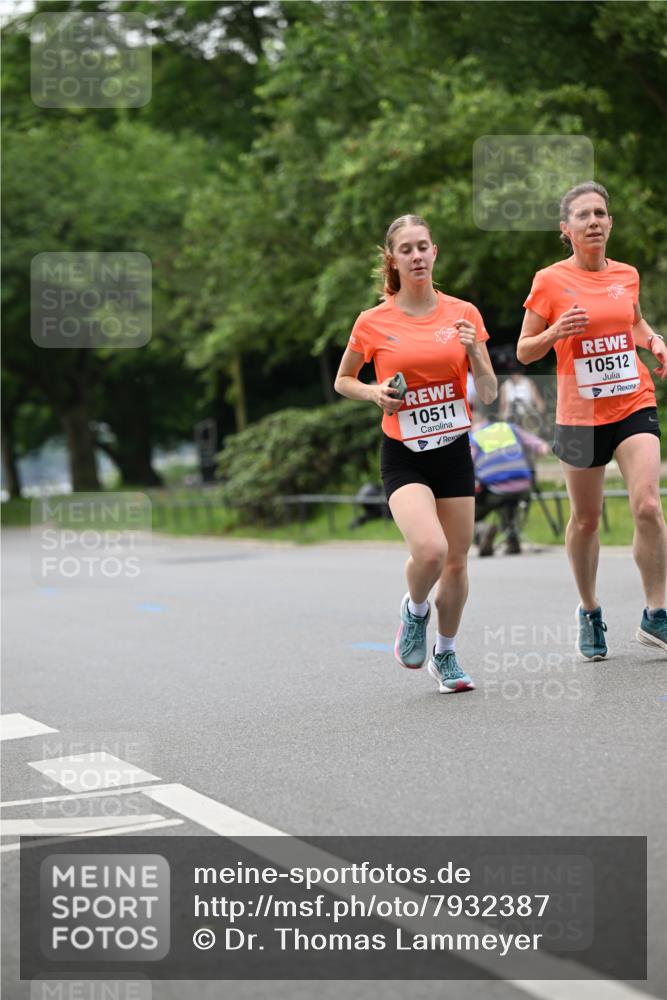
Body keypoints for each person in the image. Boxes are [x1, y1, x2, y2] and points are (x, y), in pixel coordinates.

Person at [334, 214, 497, 692]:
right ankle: (414, 610)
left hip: (453, 450)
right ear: (394, 260)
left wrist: (478, 353)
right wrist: (375, 393)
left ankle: (445, 655)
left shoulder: (464, 314)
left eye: (423, 246)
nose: (418, 256)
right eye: (407, 249)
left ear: (435, 252)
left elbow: (486, 392)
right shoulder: (372, 321)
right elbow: (343, 380)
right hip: (403, 452)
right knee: (430, 550)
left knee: (458, 561)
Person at [517, 181, 667, 659]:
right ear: (567, 229)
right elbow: (524, 349)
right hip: (579, 416)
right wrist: (556, 331)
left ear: (610, 222)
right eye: (583, 215)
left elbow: (634, 321)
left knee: (647, 505)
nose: (595, 221)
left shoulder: (627, 274)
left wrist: (654, 339)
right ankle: (589, 609)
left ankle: (656, 614)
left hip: (632, 400)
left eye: (601, 213)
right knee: (586, 520)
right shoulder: (548, 280)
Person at [470, 414, 550, 556]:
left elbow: (466, 464)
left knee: (469, 513)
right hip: (524, 487)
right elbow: (542, 448)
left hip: (496, 489)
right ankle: (512, 541)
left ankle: (480, 529)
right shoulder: (511, 429)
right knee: (508, 500)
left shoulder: (474, 437)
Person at [497, 362, 546, 431]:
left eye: (516, 372)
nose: (514, 375)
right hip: (511, 420)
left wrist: (538, 418)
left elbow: (540, 404)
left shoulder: (528, 383)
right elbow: (502, 407)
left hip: (527, 418)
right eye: (512, 372)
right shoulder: (505, 386)